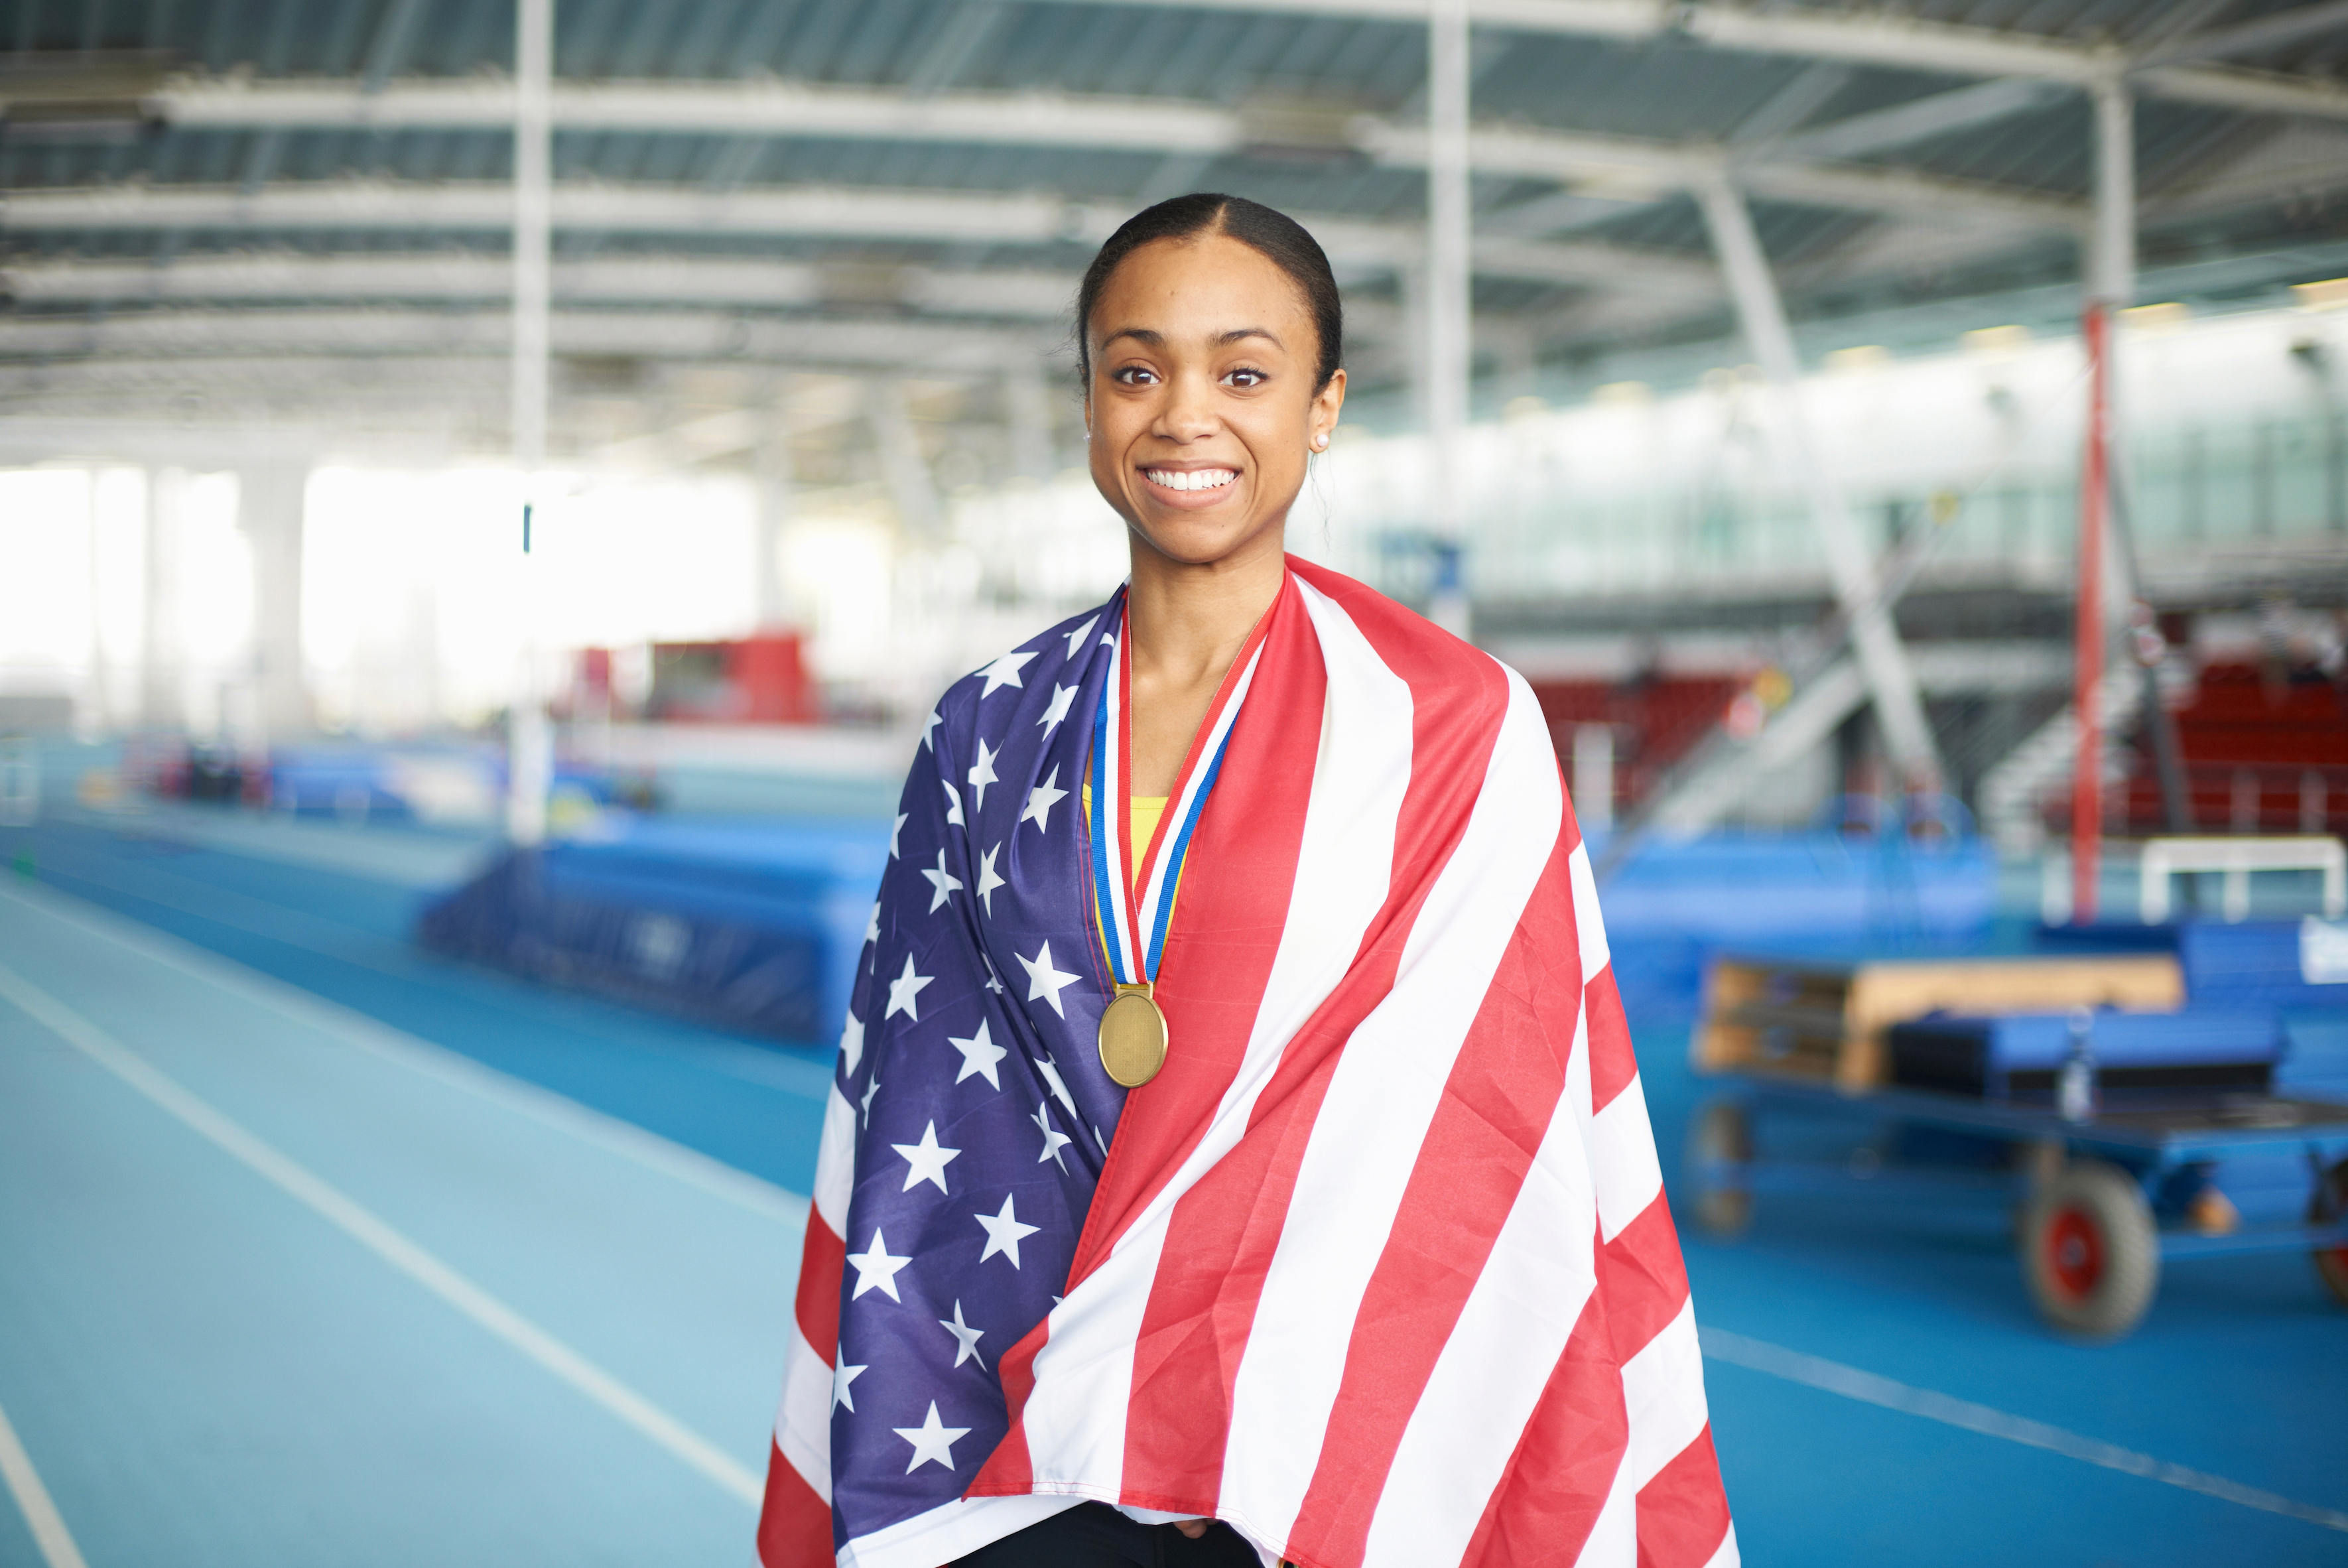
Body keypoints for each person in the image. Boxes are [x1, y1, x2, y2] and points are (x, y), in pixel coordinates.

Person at [757, 194, 1734, 1568]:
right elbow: (923, 1098)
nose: (1184, 416)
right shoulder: (986, 725)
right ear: (1091, 400)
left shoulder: (1450, 722)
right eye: (1137, 369)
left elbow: (1500, 1114)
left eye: (1245, 372)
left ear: (1324, 406)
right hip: (1023, 1424)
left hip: (1315, 1431)